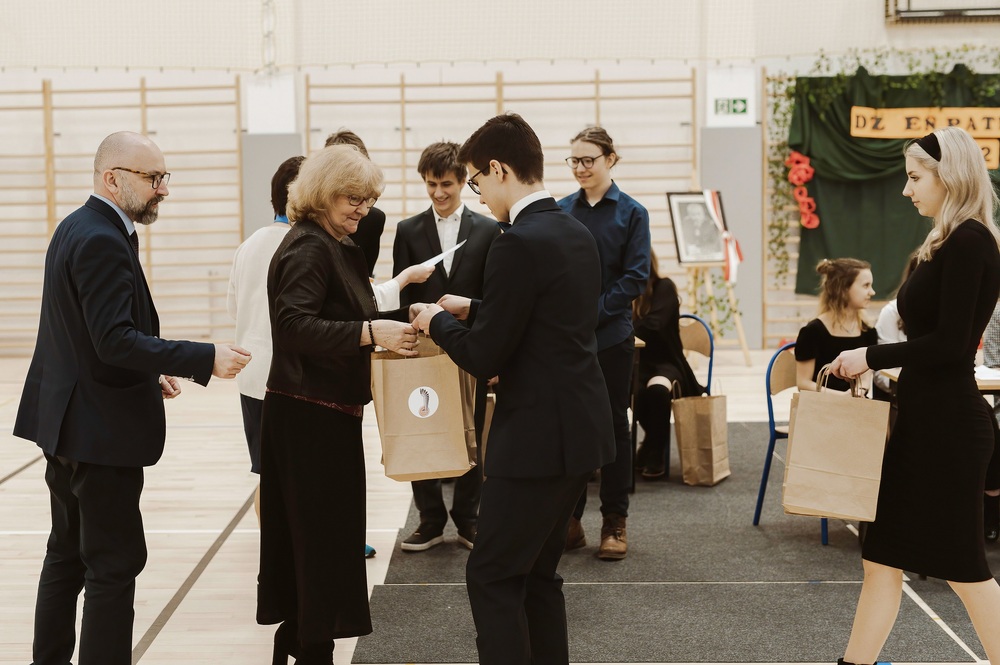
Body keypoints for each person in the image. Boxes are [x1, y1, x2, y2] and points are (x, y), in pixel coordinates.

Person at [12, 131, 250, 665]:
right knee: (113, 566)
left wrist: (149, 374)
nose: (163, 189)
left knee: (67, 558)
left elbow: (87, 338)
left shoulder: (78, 226)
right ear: (112, 178)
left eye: (165, 176)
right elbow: (113, 339)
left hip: (67, 425)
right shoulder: (98, 236)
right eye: (152, 177)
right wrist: (199, 357)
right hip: (97, 436)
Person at [411, 112, 615, 665]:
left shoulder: (516, 241)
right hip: (581, 428)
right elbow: (548, 319)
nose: (477, 195)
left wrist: (436, 321)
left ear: (499, 170)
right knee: (538, 575)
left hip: (535, 440)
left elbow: (486, 355)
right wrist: (476, 307)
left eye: (476, 181)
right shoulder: (573, 229)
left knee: (493, 576)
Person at [831, 126, 1000, 665]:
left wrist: (871, 357)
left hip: (948, 429)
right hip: (924, 423)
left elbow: (950, 344)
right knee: (881, 558)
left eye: (914, 177)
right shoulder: (947, 241)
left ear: (948, 175)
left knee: (966, 572)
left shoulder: (971, 240)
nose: (907, 190)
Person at [256, 145, 419, 665]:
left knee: (323, 541)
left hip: (324, 414)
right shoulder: (308, 247)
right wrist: (372, 332)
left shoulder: (331, 244)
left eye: (369, 201)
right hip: (308, 418)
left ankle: (304, 637)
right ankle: (309, 646)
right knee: (319, 542)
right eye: (354, 198)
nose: (362, 210)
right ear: (323, 193)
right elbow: (293, 326)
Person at [392, 141, 501, 552]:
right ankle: (430, 520)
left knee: (470, 432)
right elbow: (397, 296)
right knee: (422, 430)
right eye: (431, 185)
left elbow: (493, 297)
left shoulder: (489, 230)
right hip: (422, 350)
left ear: (462, 183)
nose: (439, 193)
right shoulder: (406, 230)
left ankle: (469, 519)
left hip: (470, 347)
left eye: (448, 185)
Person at [557, 126, 650, 559]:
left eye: (587, 160)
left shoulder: (633, 213)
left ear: (611, 159)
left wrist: (590, 313)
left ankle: (614, 521)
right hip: (568, 342)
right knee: (571, 428)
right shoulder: (559, 211)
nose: (580, 168)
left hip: (611, 339)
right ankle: (570, 520)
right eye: (573, 160)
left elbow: (635, 277)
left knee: (614, 427)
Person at [228, 155, 305, 524]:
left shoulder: (249, 244)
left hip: (252, 375)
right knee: (301, 473)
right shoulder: (301, 245)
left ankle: (278, 552)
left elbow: (234, 307)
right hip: (290, 379)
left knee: (266, 473)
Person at [631, 252, 704, 479]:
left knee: (658, 391)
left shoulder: (664, 287)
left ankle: (653, 451)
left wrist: (625, 330)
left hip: (667, 362)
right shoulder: (623, 291)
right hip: (637, 364)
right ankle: (652, 445)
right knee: (633, 391)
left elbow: (655, 325)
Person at [795, 258, 877, 394]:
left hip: (855, 406)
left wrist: (858, 392)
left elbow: (866, 377)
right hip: (821, 408)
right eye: (866, 286)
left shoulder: (868, 331)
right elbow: (803, 383)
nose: (872, 292)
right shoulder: (812, 331)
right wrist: (842, 397)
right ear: (843, 289)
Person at [325, 129, 386, 278]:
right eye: (353, 197)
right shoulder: (308, 224)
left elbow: (366, 279)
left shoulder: (372, 219)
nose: (363, 210)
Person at [978, 301, 1000, 542]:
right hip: (995, 395)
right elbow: (993, 362)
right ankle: (991, 511)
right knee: (990, 427)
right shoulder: (997, 312)